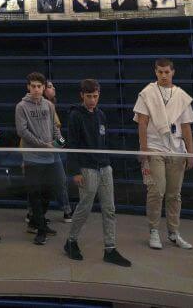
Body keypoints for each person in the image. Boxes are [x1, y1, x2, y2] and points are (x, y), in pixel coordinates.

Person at [64, 78, 132, 266]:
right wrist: (75, 171)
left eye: (95, 96)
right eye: (89, 96)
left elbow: (104, 140)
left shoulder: (101, 115)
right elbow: (72, 144)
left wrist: (107, 163)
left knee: (109, 208)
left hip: (104, 166)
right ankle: (71, 241)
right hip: (87, 167)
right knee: (85, 206)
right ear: (82, 95)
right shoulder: (75, 115)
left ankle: (110, 248)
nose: (92, 100)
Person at [134, 58, 193, 251]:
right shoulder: (147, 93)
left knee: (174, 194)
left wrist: (191, 153)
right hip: (154, 147)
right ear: (155, 72)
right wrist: (143, 149)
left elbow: (186, 127)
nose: (163, 75)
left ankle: (173, 233)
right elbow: (142, 122)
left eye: (166, 72)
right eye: (160, 72)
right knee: (156, 190)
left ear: (173, 72)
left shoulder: (181, 96)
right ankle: (153, 230)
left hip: (176, 149)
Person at [16, 73, 62, 245]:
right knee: (34, 194)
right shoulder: (21, 107)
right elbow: (23, 131)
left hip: (50, 158)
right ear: (28, 87)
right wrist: (44, 145)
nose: (36, 89)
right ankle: (40, 229)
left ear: (44, 88)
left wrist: (60, 143)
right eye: (33, 86)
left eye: (39, 86)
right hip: (32, 158)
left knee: (49, 192)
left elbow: (56, 128)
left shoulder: (49, 105)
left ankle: (38, 222)